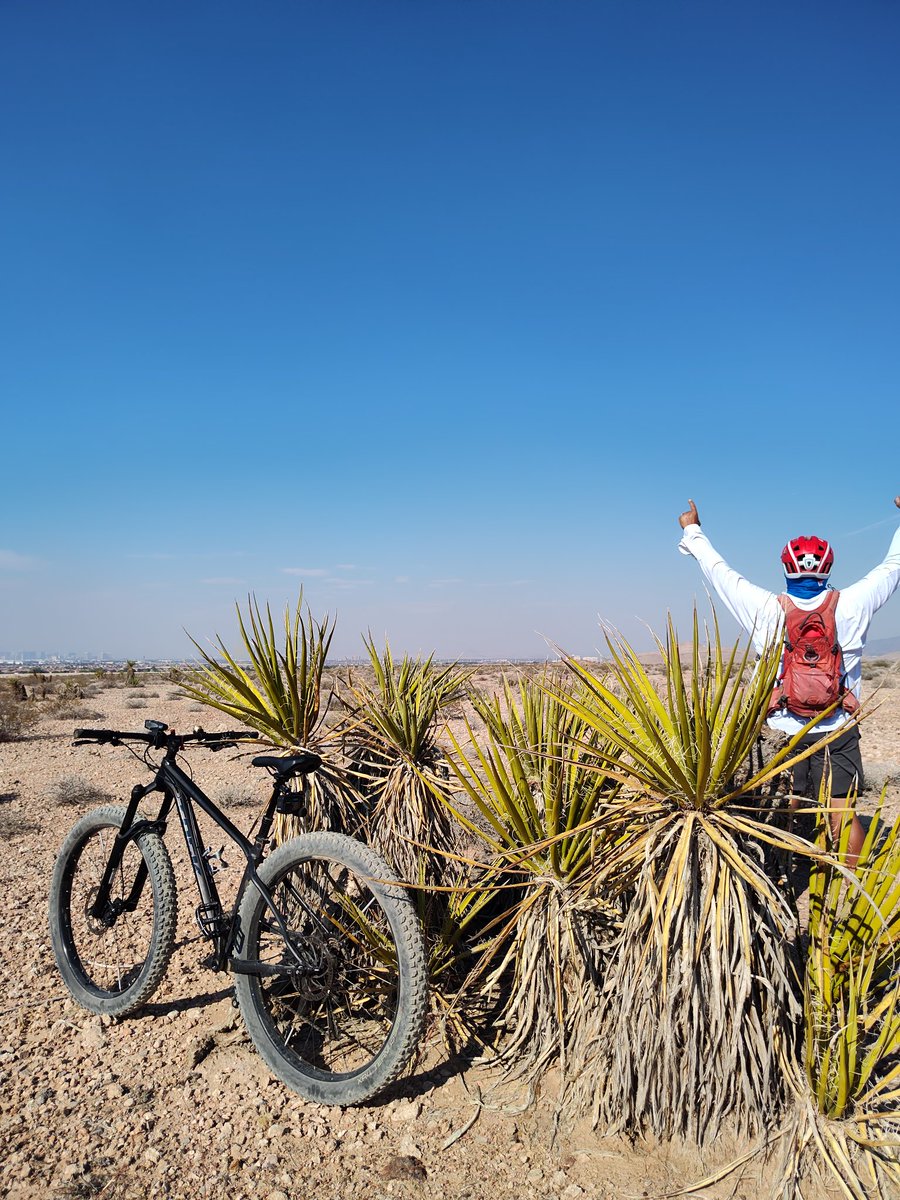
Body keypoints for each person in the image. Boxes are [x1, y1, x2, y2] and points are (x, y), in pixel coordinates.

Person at [678, 496, 900, 865]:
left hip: (783, 728)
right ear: (828, 566)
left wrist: (692, 529)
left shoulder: (764, 607)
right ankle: (849, 890)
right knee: (842, 811)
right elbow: (893, 565)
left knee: (784, 806)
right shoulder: (855, 603)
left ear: (786, 566)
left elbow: (719, 570)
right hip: (838, 726)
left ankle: (784, 874)